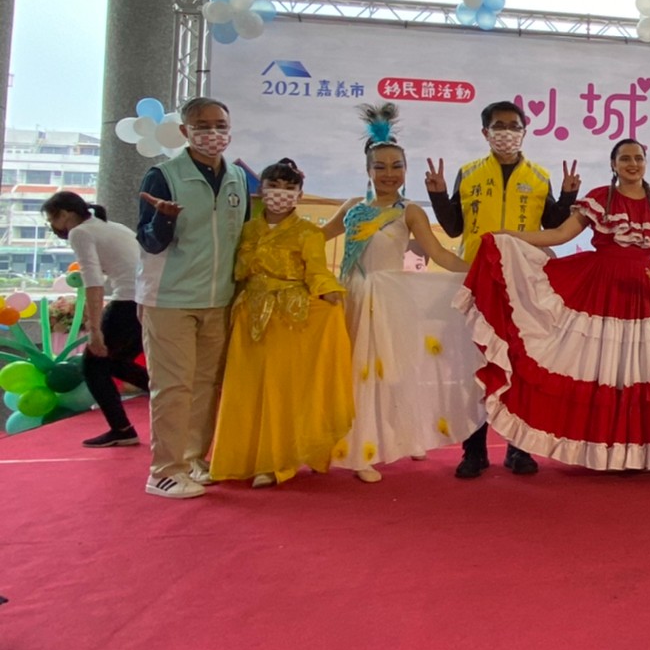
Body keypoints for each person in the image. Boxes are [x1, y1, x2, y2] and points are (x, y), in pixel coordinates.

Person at [458, 138, 650, 472]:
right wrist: (510, 236)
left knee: (637, 369)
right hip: (598, 289)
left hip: (645, 292)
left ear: (646, 163)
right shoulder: (599, 198)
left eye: (638, 158)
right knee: (600, 368)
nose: (632, 164)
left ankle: (634, 453)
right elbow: (561, 234)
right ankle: (598, 451)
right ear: (613, 164)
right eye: (625, 158)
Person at [321, 104, 478, 483]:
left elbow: (439, 253)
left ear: (405, 171)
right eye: (380, 167)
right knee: (359, 372)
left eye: (396, 166)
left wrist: (478, 273)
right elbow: (315, 239)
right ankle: (361, 448)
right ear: (367, 170)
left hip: (393, 299)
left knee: (397, 370)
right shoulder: (353, 209)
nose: (388, 174)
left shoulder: (410, 212)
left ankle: (404, 433)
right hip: (355, 297)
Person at [426, 100, 580, 479]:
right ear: (485, 132)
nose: (506, 132)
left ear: (525, 131)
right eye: (499, 126)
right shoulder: (469, 173)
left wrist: (567, 196)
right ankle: (473, 451)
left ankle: (519, 449)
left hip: (524, 281)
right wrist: (438, 194)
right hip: (478, 279)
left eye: (514, 126)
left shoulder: (539, 176)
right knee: (477, 364)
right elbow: (452, 229)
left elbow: (553, 225)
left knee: (522, 366)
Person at [209, 159, 357, 488]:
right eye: (275, 186)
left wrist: (330, 292)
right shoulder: (245, 229)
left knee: (280, 390)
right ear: (261, 190)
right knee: (245, 388)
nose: (281, 194)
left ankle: (275, 463)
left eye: (290, 188)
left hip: (289, 315)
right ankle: (241, 459)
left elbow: (316, 271)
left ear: (299, 194)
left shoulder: (307, 233)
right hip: (248, 314)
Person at [136, 96, 249, 500]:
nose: (212, 133)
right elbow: (148, 243)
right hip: (169, 299)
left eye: (220, 124)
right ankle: (164, 470)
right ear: (185, 132)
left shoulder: (237, 177)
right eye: (202, 125)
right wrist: (163, 218)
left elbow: (245, 237)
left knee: (206, 385)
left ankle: (194, 460)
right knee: (173, 387)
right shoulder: (163, 175)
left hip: (218, 299)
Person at [42, 192, 150, 448]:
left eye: (51, 220)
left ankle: (122, 428)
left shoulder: (81, 233)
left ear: (65, 214)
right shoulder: (112, 227)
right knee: (112, 362)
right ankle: (165, 391)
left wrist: (95, 329)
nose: (53, 227)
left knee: (92, 365)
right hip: (148, 301)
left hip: (127, 302)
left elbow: (93, 283)